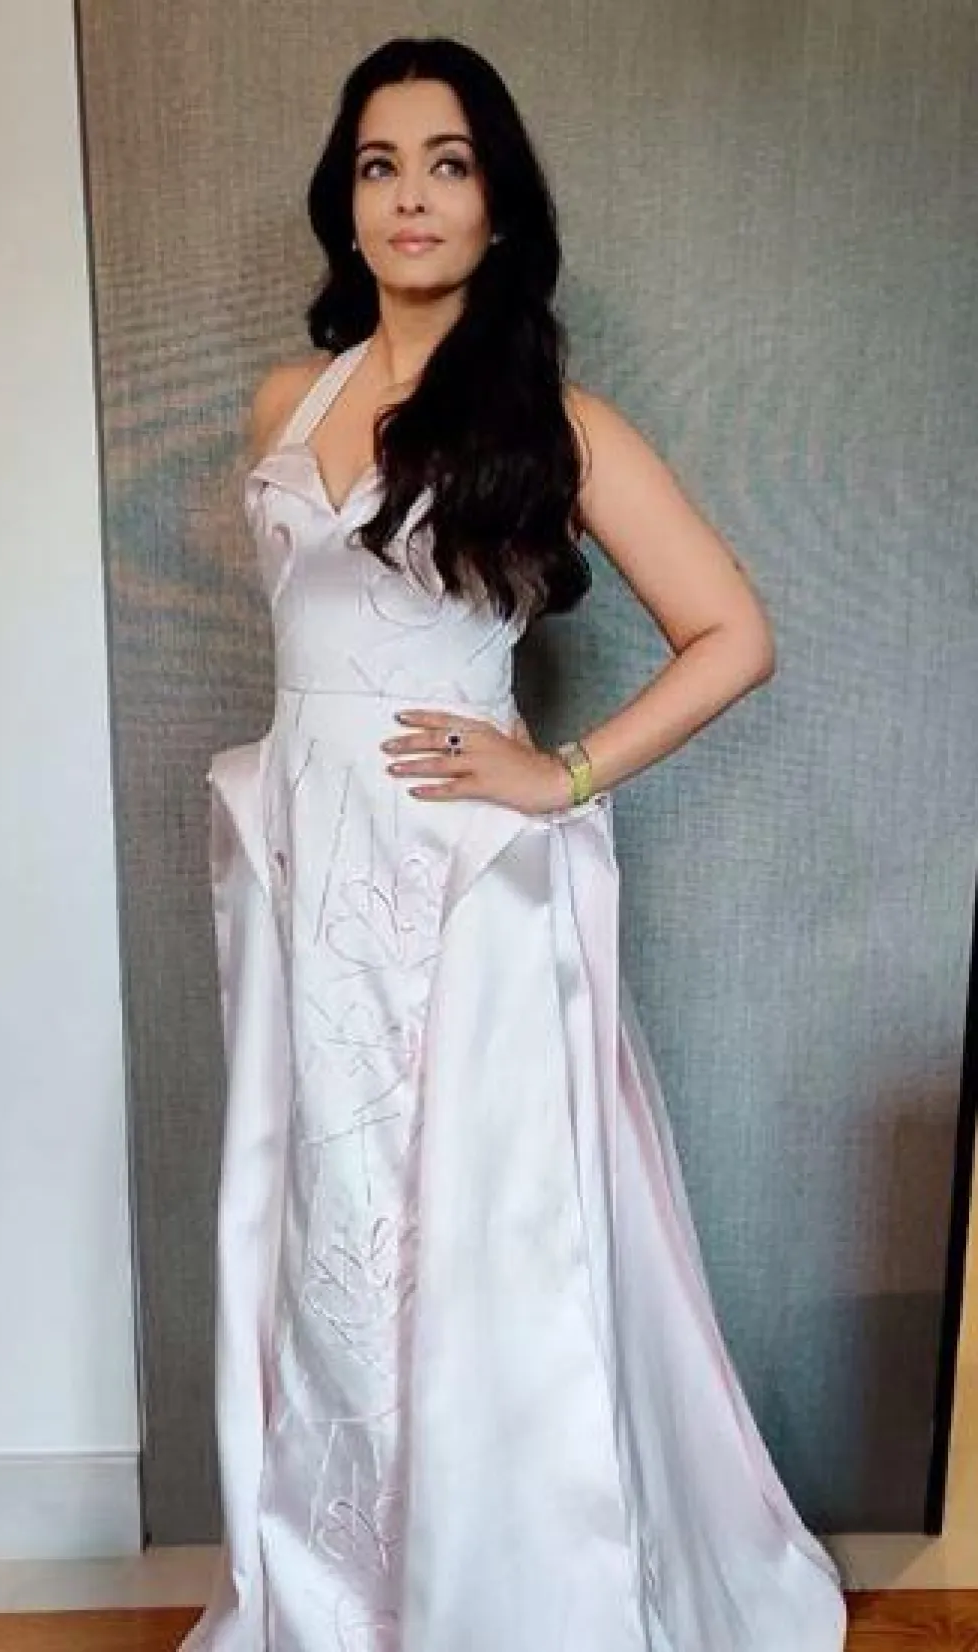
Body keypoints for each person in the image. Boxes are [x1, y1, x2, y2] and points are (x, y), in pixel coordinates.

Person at [186, 34, 848, 1652]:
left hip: (466, 881)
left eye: (450, 163)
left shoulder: (555, 422)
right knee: (324, 1234)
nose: (412, 197)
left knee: (481, 1248)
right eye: (380, 165)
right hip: (308, 874)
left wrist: (561, 774)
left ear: (498, 204)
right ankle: (339, 1599)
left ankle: (504, 1600)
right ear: (346, 201)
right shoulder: (287, 401)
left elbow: (733, 635)